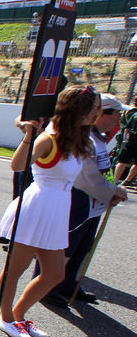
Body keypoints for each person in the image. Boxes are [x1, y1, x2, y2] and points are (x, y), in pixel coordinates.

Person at [0, 86, 102, 337]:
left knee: (55, 274)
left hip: (57, 209)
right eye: (92, 108)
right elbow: (18, 166)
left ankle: (19, 314)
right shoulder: (48, 138)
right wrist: (29, 135)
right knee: (15, 269)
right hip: (38, 206)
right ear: (76, 109)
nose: (96, 113)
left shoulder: (81, 141)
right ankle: (6, 318)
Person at [39, 94, 128, 306]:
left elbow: (102, 172)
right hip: (78, 199)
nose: (119, 118)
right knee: (63, 247)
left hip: (95, 202)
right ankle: (45, 285)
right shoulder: (81, 138)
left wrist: (110, 192)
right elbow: (86, 177)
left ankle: (69, 284)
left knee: (81, 248)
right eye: (116, 112)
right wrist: (112, 191)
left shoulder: (97, 137)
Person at [111, 104, 137, 189]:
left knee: (122, 161)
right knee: (123, 161)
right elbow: (127, 128)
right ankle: (122, 180)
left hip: (129, 140)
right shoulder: (134, 114)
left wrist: (125, 140)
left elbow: (126, 128)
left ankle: (121, 180)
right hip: (131, 141)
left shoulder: (133, 114)